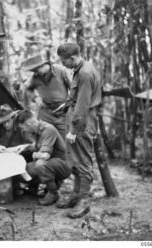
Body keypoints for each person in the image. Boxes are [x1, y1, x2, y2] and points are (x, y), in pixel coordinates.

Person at [56, 43, 102, 219]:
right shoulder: (79, 68)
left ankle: (84, 200)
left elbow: (83, 106)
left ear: (73, 58)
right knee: (74, 160)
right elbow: (76, 98)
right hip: (77, 118)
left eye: (64, 61)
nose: (63, 64)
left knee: (83, 161)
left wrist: (74, 130)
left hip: (82, 122)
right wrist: (65, 105)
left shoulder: (84, 73)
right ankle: (76, 195)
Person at [15, 109, 71, 206]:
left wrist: (35, 155)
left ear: (28, 124)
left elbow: (45, 155)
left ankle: (53, 193)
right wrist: (24, 147)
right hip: (53, 163)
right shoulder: (37, 131)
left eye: (23, 128)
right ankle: (39, 188)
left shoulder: (48, 129)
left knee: (40, 165)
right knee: (26, 170)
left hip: (64, 165)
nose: (23, 130)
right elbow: (38, 146)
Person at [21, 53, 71, 139]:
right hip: (46, 112)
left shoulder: (61, 71)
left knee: (64, 140)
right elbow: (28, 88)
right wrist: (36, 98)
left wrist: (69, 103)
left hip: (62, 113)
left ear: (43, 65)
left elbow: (74, 88)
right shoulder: (35, 77)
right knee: (45, 137)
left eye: (36, 70)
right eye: (33, 71)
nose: (35, 73)